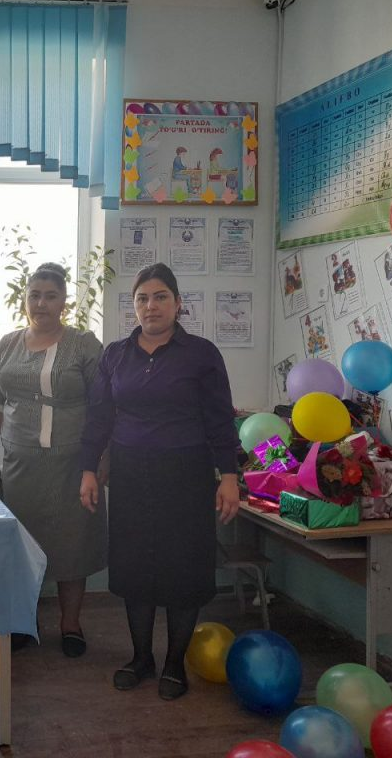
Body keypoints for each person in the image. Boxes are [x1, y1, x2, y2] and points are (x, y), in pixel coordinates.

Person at [79, 262, 240, 701]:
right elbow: (98, 418)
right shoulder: (115, 355)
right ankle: (141, 658)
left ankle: (174, 664)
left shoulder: (201, 354)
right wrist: (88, 469)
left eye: (160, 297)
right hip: (130, 475)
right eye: (143, 298)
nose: (151, 306)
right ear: (134, 306)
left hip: (186, 475)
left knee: (182, 569)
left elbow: (219, 420)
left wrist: (229, 476)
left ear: (177, 303)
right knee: (135, 567)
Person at [0, 263, 106, 658]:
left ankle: (70, 624)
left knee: (72, 545)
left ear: (64, 302)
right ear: (25, 299)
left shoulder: (84, 345)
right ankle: (22, 622)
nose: (41, 303)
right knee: (21, 546)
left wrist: (100, 462)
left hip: (72, 465)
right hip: (20, 465)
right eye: (35, 295)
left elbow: (104, 407)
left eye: (50, 296)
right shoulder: (7, 344)